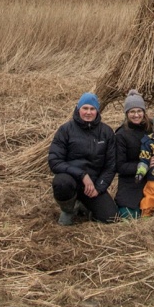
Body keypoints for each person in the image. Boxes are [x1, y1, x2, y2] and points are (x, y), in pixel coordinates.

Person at [48, 92, 118, 225]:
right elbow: (54, 161)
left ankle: (84, 205)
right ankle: (68, 209)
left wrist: (99, 187)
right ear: (78, 108)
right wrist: (82, 175)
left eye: (92, 109)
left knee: (110, 218)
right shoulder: (66, 130)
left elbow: (111, 166)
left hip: (93, 185)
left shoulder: (106, 132)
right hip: (71, 180)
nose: (88, 112)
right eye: (85, 108)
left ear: (97, 111)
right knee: (62, 183)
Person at [114, 89, 153, 219]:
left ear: (144, 112)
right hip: (132, 181)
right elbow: (120, 166)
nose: (136, 115)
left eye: (139, 111)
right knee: (130, 215)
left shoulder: (153, 128)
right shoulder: (121, 134)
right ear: (127, 113)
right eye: (132, 111)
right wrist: (144, 166)